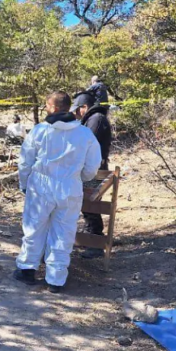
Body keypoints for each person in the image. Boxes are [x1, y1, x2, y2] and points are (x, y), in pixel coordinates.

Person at [14, 91, 102, 294]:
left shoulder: (40, 131)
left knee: (34, 228)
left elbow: (25, 161)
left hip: (41, 186)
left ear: (53, 107)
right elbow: (92, 166)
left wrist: (24, 183)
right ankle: (56, 279)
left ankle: (27, 270)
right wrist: (80, 178)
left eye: (46, 105)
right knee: (64, 231)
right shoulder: (84, 134)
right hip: (69, 187)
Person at [71, 91, 112, 259]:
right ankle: (91, 239)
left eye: (77, 110)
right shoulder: (93, 119)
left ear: (84, 107)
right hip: (92, 169)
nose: (75, 113)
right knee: (88, 205)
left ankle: (95, 242)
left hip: (94, 170)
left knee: (90, 204)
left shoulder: (96, 119)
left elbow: (87, 144)